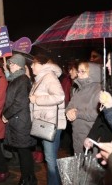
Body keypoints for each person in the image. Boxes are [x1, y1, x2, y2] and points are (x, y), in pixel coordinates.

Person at [29, 54, 66, 185]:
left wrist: (37, 100)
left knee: (50, 160)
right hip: (45, 123)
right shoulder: (41, 78)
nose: (32, 66)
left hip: (51, 124)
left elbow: (59, 96)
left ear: (41, 64)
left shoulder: (49, 76)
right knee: (50, 159)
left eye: (34, 63)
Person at [2, 54, 37, 185]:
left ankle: (28, 178)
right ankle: (28, 177)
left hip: (21, 122)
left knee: (24, 152)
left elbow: (19, 103)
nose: (9, 66)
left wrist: (6, 115)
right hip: (17, 121)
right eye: (10, 63)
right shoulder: (16, 79)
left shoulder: (22, 80)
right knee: (23, 152)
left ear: (19, 65)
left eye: (11, 63)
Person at [65, 62, 101, 153]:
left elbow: (98, 114)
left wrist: (77, 114)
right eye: (78, 71)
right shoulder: (79, 89)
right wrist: (69, 112)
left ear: (92, 73)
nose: (78, 74)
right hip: (77, 133)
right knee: (79, 163)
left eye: (82, 71)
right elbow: (70, 105)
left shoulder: (98, 90)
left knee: (89, 165)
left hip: (90, 136)